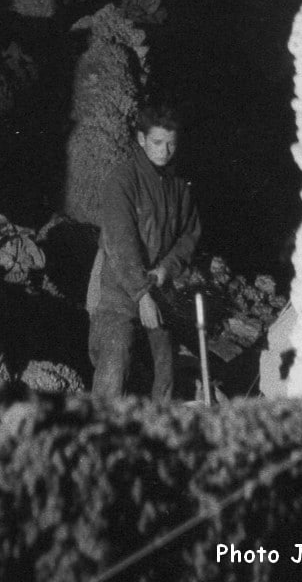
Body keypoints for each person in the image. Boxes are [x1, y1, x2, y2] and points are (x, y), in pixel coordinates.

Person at [80, 105, 200, 401]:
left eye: (171, 143)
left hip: (160, 291)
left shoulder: (178, 184)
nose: (165, 151)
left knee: (166, 372)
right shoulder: (122, 180)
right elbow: (120, 244)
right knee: (115, 358)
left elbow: (190, 233)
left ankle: (157, 435)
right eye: (157, 143)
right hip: (119, 296)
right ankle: (103, 433)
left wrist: (167, 269)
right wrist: (142, 294)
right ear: (142, 139)